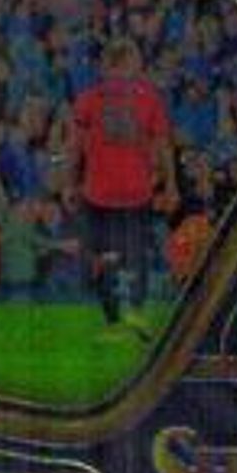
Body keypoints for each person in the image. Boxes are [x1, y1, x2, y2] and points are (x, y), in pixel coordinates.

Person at [65, 37, 178, 339]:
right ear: (131, 63)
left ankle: (114, 321)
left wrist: (70, 183)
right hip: (135, 191)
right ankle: (136, 313)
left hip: (99, 192)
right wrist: (171, 185)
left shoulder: (89, 98)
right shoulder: (149, 98)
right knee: (136, 253)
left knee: (103, 258)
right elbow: (163, 145)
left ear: (107, 65)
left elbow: (75, 147)